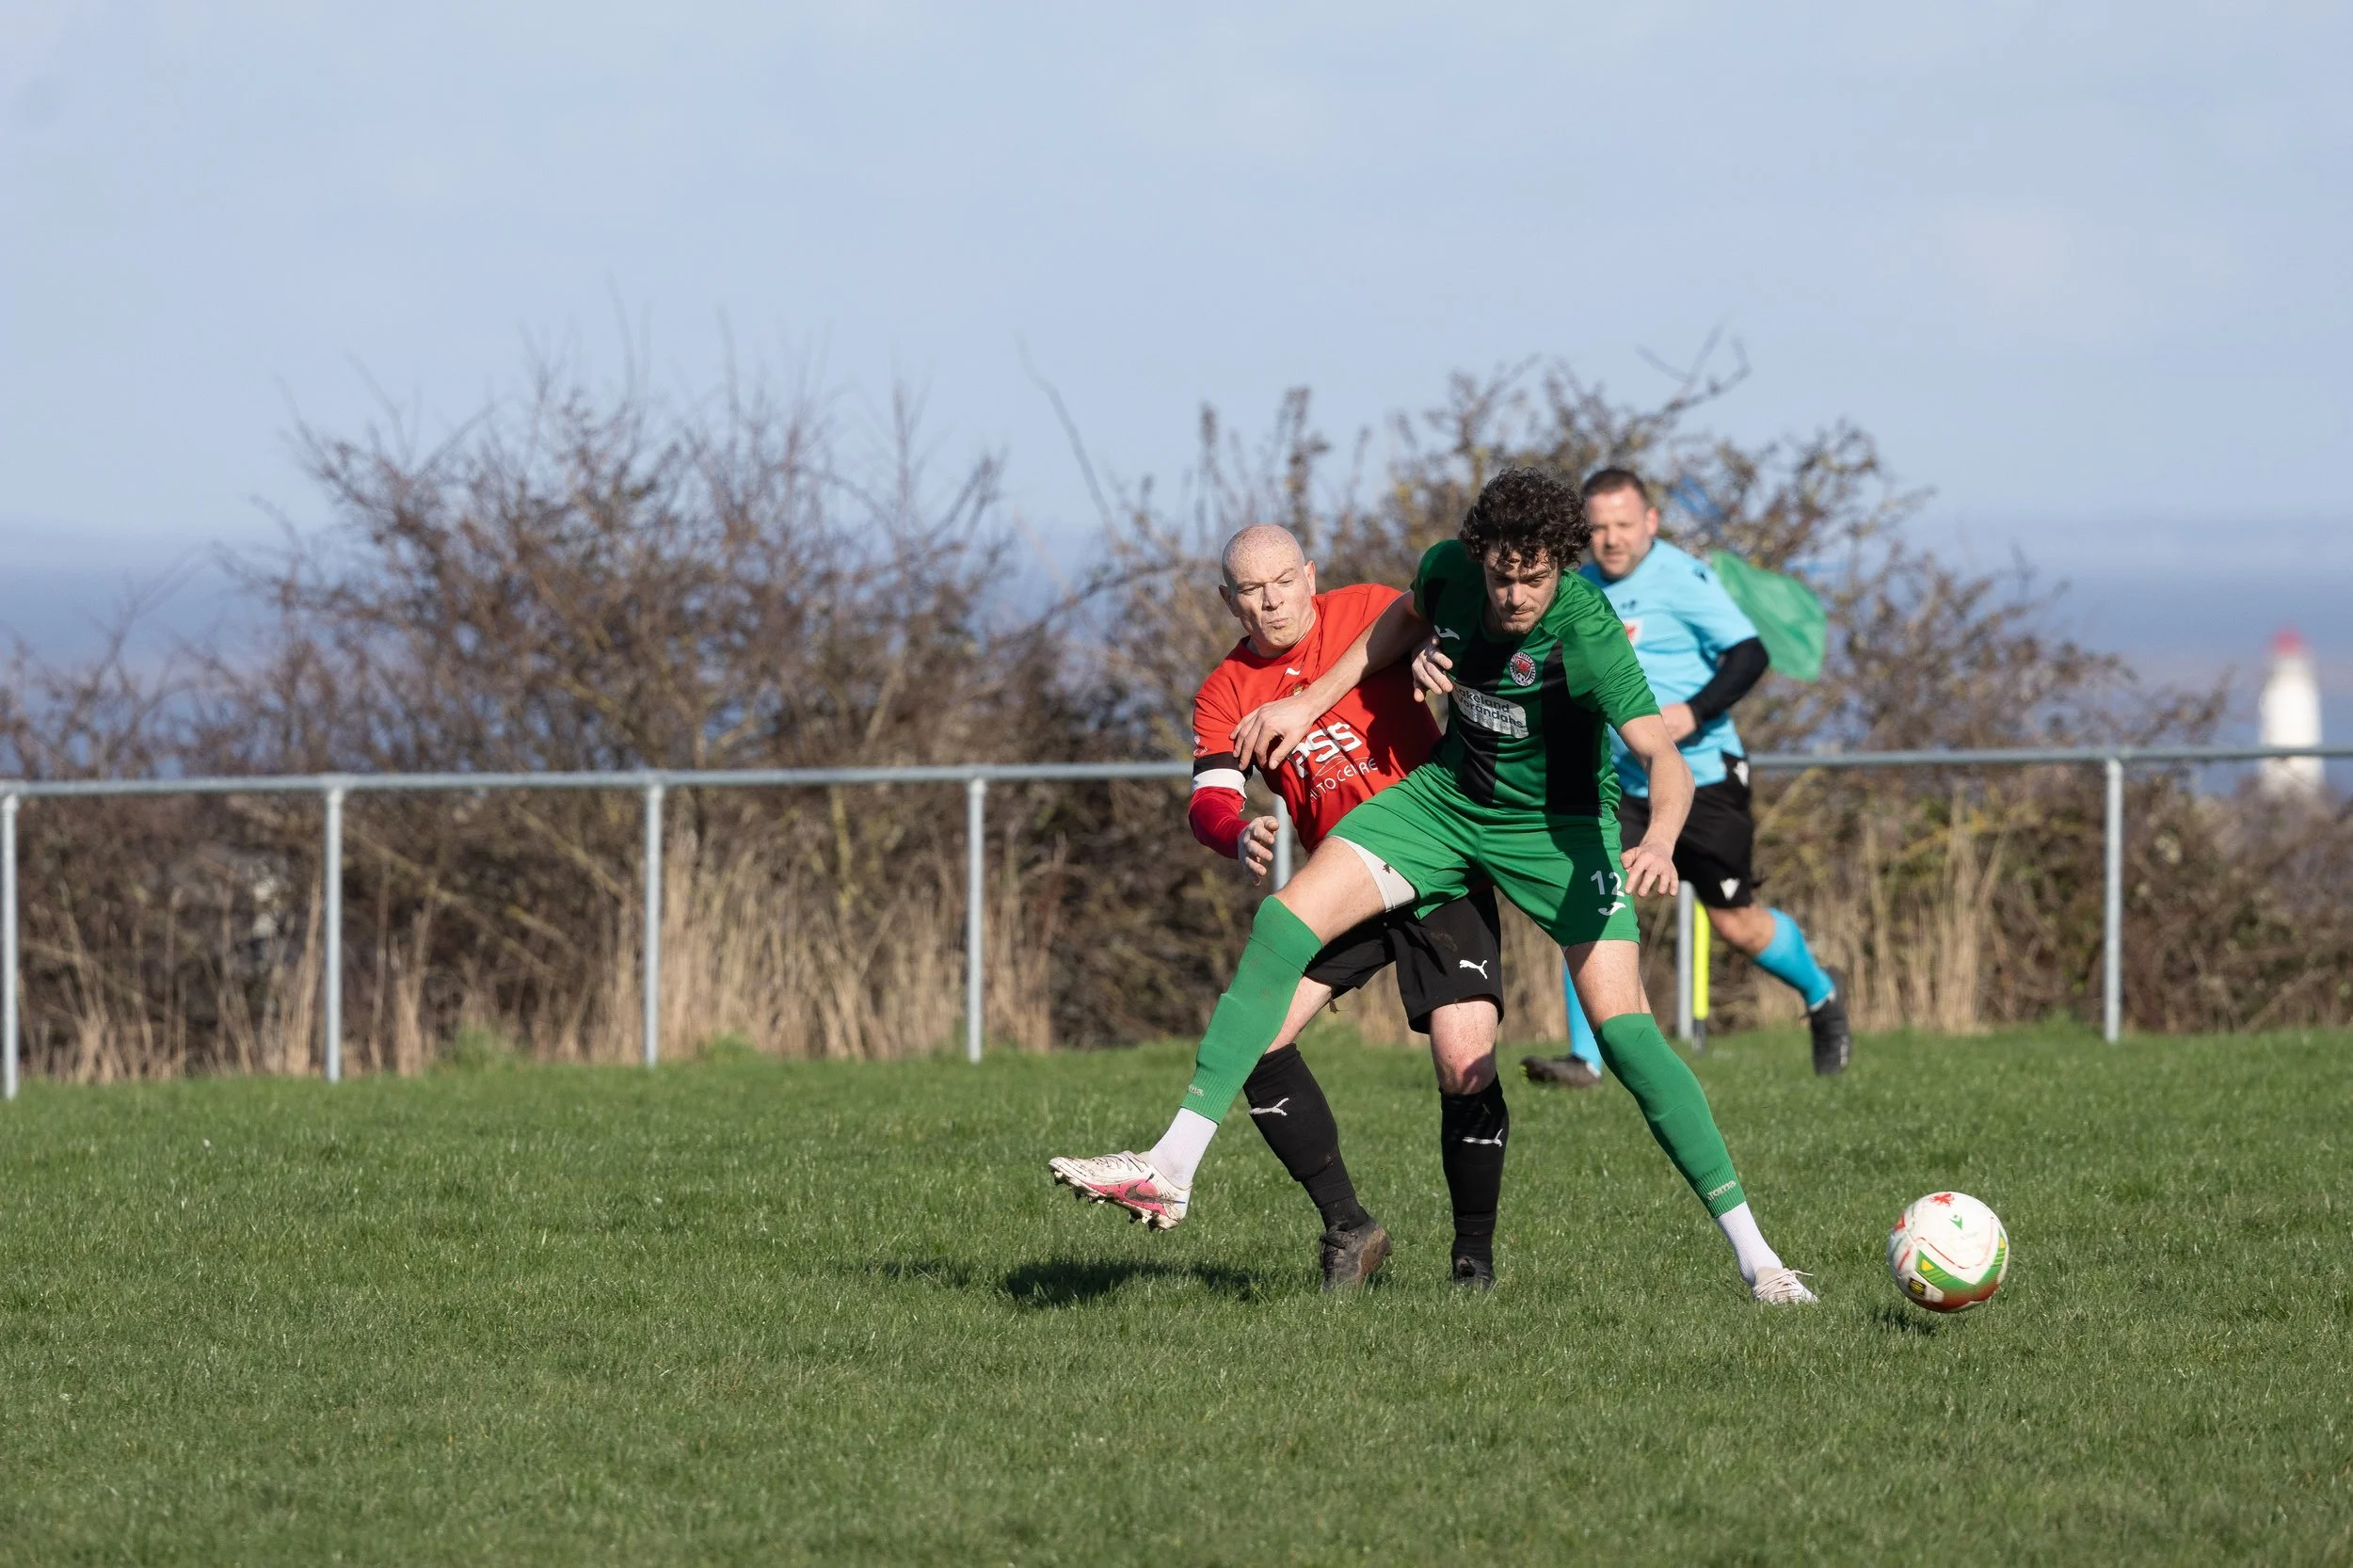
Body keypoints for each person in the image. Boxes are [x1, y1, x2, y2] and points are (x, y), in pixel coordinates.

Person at [1050, 469, 1816, 1303]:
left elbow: (1662, 755)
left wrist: (1661, 839)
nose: (1517, 595)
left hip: (1560, 832)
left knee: (1626, 1039)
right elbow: (1404, 619)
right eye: (1502, 575)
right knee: (1282, 920)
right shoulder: (1448, 569)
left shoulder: (1589, 631)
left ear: (1563, 564)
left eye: (1536, 576)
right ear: (1479, 557)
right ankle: (1172, 1164)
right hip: (1446, 803)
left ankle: (1760, 1261)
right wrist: (1309, 704)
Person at [1059, 524, 1511, 1290]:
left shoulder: (1369, 610)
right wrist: (1235, 832)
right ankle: (1349, 1228)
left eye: (1282, 582)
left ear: (1310, 575)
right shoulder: (1224, 691)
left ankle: (1473, 1262)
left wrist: (1446, 658)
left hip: (1436, 860)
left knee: (1464, 1064)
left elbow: (1461, 637)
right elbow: (1208, 801)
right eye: (1251, 591)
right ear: (1228, 601)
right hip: (1342, 885)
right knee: (1257, 1043)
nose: (1270, 603)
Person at [1521, 467, 1851, 1086]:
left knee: (1735, 921)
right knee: (1588, 894)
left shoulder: (1684, 578)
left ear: (1650, 522)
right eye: (1598, 527)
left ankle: (1822, 997)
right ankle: (1583, 1060)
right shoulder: (1577, 590)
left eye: (1624, 524)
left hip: (1702, 774)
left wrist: (1693, 712)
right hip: (1619, 781)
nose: (1611, 538)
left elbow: (1750, 654)